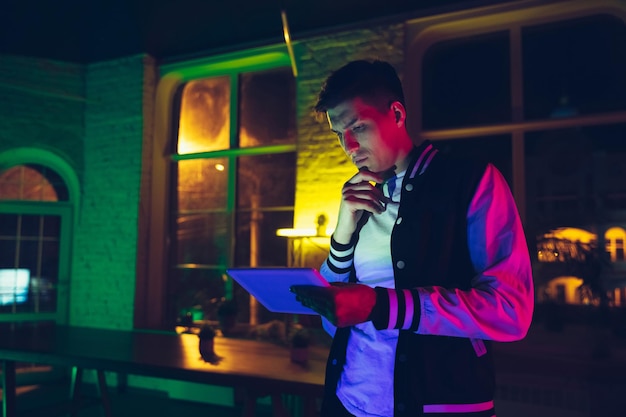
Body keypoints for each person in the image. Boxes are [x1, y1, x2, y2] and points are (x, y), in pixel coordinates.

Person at [290, 60, 534, 417]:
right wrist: (342, 236)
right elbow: (334, 322)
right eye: (339, 134)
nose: (349, 145)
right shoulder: (361, 201)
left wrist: (383, 306)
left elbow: (511, 311)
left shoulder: (470, 181)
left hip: (438, 404)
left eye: (359, 126)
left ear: (398, 114)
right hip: (347, 401)